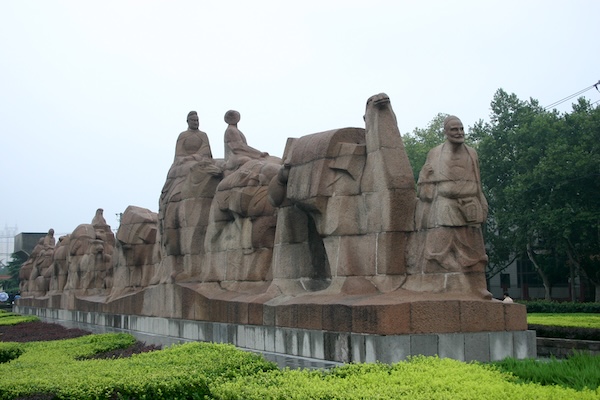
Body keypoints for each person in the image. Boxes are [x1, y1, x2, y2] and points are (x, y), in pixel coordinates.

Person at [414, 115, 491, 299]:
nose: (459, 133)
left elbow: (478, 182)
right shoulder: (435, 153)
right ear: (446, 132)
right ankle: (441, 285)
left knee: (475, 250)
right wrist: (424, 177)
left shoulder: (472, 153)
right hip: (445, 205)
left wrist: (482, 202)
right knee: (438, 246)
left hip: (470, 205)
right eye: (454, 129)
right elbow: (424, 185)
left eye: (461, 129)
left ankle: (477, 287)